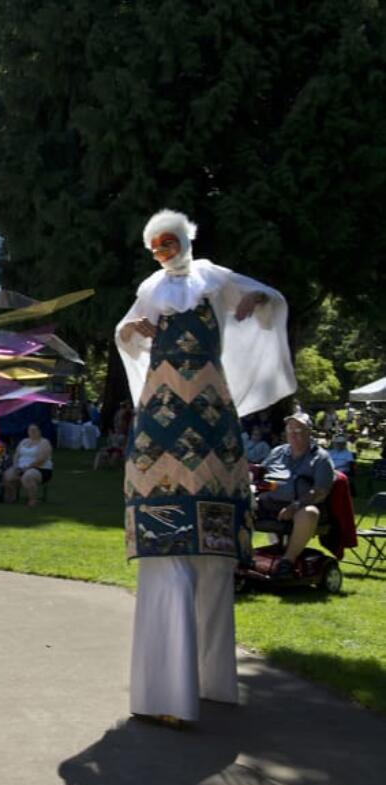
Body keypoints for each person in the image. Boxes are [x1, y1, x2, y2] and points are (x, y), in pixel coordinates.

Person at [116, 208, 295, 726]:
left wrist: (252, 305)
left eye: (168, 242)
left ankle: (211, 684)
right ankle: (169, 694)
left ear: (185, 239)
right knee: (167, 552)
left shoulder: (214, 277)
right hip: (160, 419)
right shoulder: (151, 286)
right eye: (155, 246)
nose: (162, 252)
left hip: (212, 414)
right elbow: (125, 332)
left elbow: (265, 299)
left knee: (212, 562)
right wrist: (135, 328)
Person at [258, 412, 336, 576]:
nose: (294, 433)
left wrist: (295, 506)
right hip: (268, 504)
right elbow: (260, 475)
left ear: (310, 432)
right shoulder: (277, 452)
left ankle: (287, 561)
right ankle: (239, 557)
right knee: (238, 506)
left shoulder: (321, 458)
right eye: (290, 429)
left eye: (299, 430)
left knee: (309, 513)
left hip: (301, 507)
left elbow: (320, 491)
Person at [2, 423, 52, 506]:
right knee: (7, 475)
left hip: (40, 468)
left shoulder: (44, 442)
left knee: (28, 476)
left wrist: (28, 467)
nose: (32, 432)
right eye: (30, 430)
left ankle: (32, 500)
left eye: (34, 430)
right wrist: (15, 466)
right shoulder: (24, 441)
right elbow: (16, 455)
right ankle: (12, 496)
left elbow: (42, 459)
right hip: (21, 467)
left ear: (39, 431)